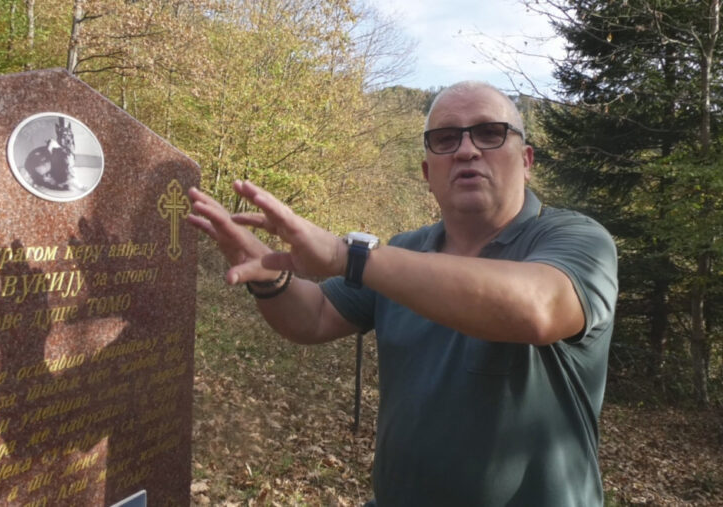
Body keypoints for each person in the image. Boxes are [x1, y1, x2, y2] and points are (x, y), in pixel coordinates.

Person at [187, 81, 618, 506]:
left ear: (526, 160)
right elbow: (314, 316)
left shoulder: (576, 239)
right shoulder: (404, 251)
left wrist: (348, 256)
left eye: (490, 133)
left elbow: (538, 308)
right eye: (446, 139)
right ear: (428, 174)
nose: (467, 150)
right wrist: (268, 275)